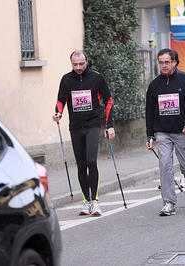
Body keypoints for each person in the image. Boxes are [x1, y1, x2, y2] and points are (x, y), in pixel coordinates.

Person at [52, 50, 115, 216]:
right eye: (75, 64)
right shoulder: (66, 79)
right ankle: (86, 201)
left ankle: (95, 201)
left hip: (93, 125)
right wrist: (58, 113)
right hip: (75, 127)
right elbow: (60, 100)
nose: (78, 67)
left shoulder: (96, 78)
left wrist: (109, 125)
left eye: (81, 64)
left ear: (87, 62)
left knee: (91, 161)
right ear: (71, 63)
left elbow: (109, 100)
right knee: (81, 164)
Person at [145, 48, 185, 216]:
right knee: (165, 165)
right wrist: (150, 135)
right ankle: (169, 203)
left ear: (174, 62)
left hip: (182, 131)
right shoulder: (154, 85)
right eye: (161, 63)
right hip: (162, 132)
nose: (163, 66)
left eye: (167, 62)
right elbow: (149, 111)